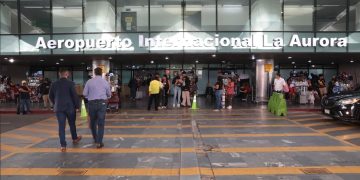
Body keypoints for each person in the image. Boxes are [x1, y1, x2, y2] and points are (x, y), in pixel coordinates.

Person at [49, 69, 82, 152]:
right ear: (67, 74)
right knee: (72, 124)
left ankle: (63, 145)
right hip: (70, 107)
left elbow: (50, 96)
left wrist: (55, 103)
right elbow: (74, 95)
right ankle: (74, 138)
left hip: (59, 108)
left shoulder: (54, 84)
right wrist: (77, 106)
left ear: (60, 74)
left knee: (61, 126)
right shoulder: (71, 83)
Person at [83, 68, 111, 149]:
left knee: (93, 122)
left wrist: (89, 96)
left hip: (91, 103)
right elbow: (109, 94)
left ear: (94, 73)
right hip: (102, 103)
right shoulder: (105, 82)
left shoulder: (89, 81)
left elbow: (84, 93)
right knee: (101, 123)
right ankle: (99, 142)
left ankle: (95, 138)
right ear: (101, 73)